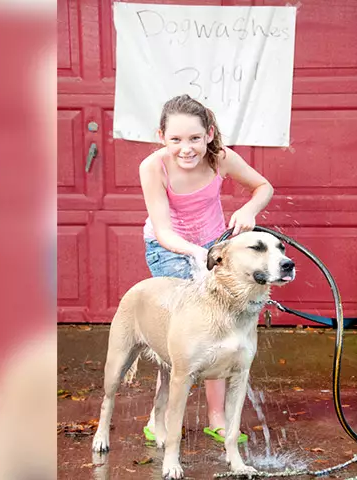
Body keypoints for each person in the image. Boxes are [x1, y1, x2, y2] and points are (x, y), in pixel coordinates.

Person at [139, 94, 273, 443]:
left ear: (209, 134)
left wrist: (249, 210)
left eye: (195, 138)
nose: (186, 148)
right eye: (176, 140)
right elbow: (165, 231)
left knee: (223, 327)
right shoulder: (153, 167)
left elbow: (263, 187)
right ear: (161, 137)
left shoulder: (221, 159)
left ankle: (217, 416)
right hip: (169, 249)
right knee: (182, 335)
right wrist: (198, 253)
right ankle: (160, 419)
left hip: (214, 247)